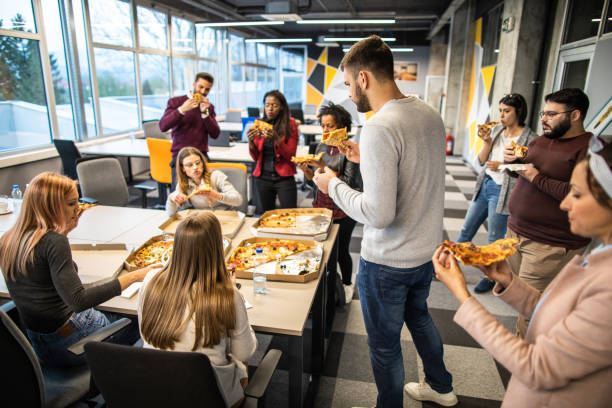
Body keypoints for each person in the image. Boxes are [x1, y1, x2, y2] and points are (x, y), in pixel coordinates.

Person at [312, 36, 457, 407]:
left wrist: (334, 184)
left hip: (388, 260)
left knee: (384, 346)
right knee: (421, 320)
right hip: (424, 251)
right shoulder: (426, 112)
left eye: (347, 84)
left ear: (363, 78)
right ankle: (441, 387)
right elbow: (413, 170)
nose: (348, 93)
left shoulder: (379, 126)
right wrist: (365, 159)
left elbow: (378, 213)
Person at [432, 137, 612, 408]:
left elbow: (537, 367)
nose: (565, 205)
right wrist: (508, 281)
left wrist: (462, 295)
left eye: (576, 193)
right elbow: (559, 316)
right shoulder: (599, 257)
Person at [0, 172, 156, 367]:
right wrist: (134, 277)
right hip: (70, 344)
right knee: (140, 318)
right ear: (51, 206)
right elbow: (78, 301)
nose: (79, 208)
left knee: (115, 311)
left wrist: (64, 231)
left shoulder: (9, 238)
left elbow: (44, 275)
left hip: (39, 342)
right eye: (72, 204)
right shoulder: (53, 243)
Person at [138, 212, 256, 408]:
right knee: (242, 367)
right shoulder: (227, 294)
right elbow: (244, 352)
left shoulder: (150, 280)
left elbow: (144, 333)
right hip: (210, 397)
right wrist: (234, 291)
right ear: (217, 248)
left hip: (155, 390)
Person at [504, 88, 592, 337]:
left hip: (550, 243)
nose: (544, 119)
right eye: (544, 113)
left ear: (575, 115)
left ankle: (527, 366)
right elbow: (524, 172)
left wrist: (536, 176)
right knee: (515, 295)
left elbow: (582, 195)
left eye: (552, 114)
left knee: (532, 307)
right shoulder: (541, 140)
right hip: (516, 232)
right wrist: (512, 163)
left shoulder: (590, 149)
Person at [457, 94, 537, 293]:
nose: (501, 115)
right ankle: (445, 262)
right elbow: (481, 161)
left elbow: (531, 168)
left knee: (494, 238)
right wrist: (486, 141)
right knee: (467, 229)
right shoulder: (497, 131)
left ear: (518, 112)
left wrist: (503, 165)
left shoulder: (530, 139)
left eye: (506, 111)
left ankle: (492, 277)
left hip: (504, 191)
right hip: (486, 185)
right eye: (500, 110)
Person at [296, 102, 361, 304]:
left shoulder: (349, 149)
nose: (325, 130)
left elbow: (348, 183)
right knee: (323, 249)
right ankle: (328, 283)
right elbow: (312, 182)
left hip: (344, 208)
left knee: (342, 250)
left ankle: (348, 284)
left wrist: (322, 166)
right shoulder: (318, 146)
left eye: (330, 126)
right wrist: (305, 170)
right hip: (322, 206)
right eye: (323, 126)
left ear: (342, 127)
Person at [159, 72, 220, 188]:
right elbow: (163, 126)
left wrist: (205, 114)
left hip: (201, 156)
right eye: (200, 87)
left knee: (205, 194)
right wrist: (182, 110)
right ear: (193, 84)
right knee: (179, 196)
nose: (202, 92)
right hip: (180, 156)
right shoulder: (176, 102)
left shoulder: (209, 107)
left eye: (207, 89)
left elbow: (215, 134)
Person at [247, 90, 299, 212]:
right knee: (266, 215)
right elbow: (255, 157)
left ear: (281, 107)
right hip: (263, 177)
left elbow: (291, 155)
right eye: (267, 105)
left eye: (274, 105)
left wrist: (276, 138)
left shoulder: (290, 124)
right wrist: (250, 141)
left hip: (284, 177)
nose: (270, 109)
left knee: (290, 214)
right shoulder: (260, 123)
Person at [165, 146, 243, 216]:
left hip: (224, 216)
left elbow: (238, 200)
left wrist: (217, 196)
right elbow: (170, 214)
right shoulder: (183, 184)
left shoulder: (216, 176)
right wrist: (171, 199)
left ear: (202, 163)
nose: (195, 167)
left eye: (198, 163)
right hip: (202, 220)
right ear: (183, 168)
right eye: (189, 165)